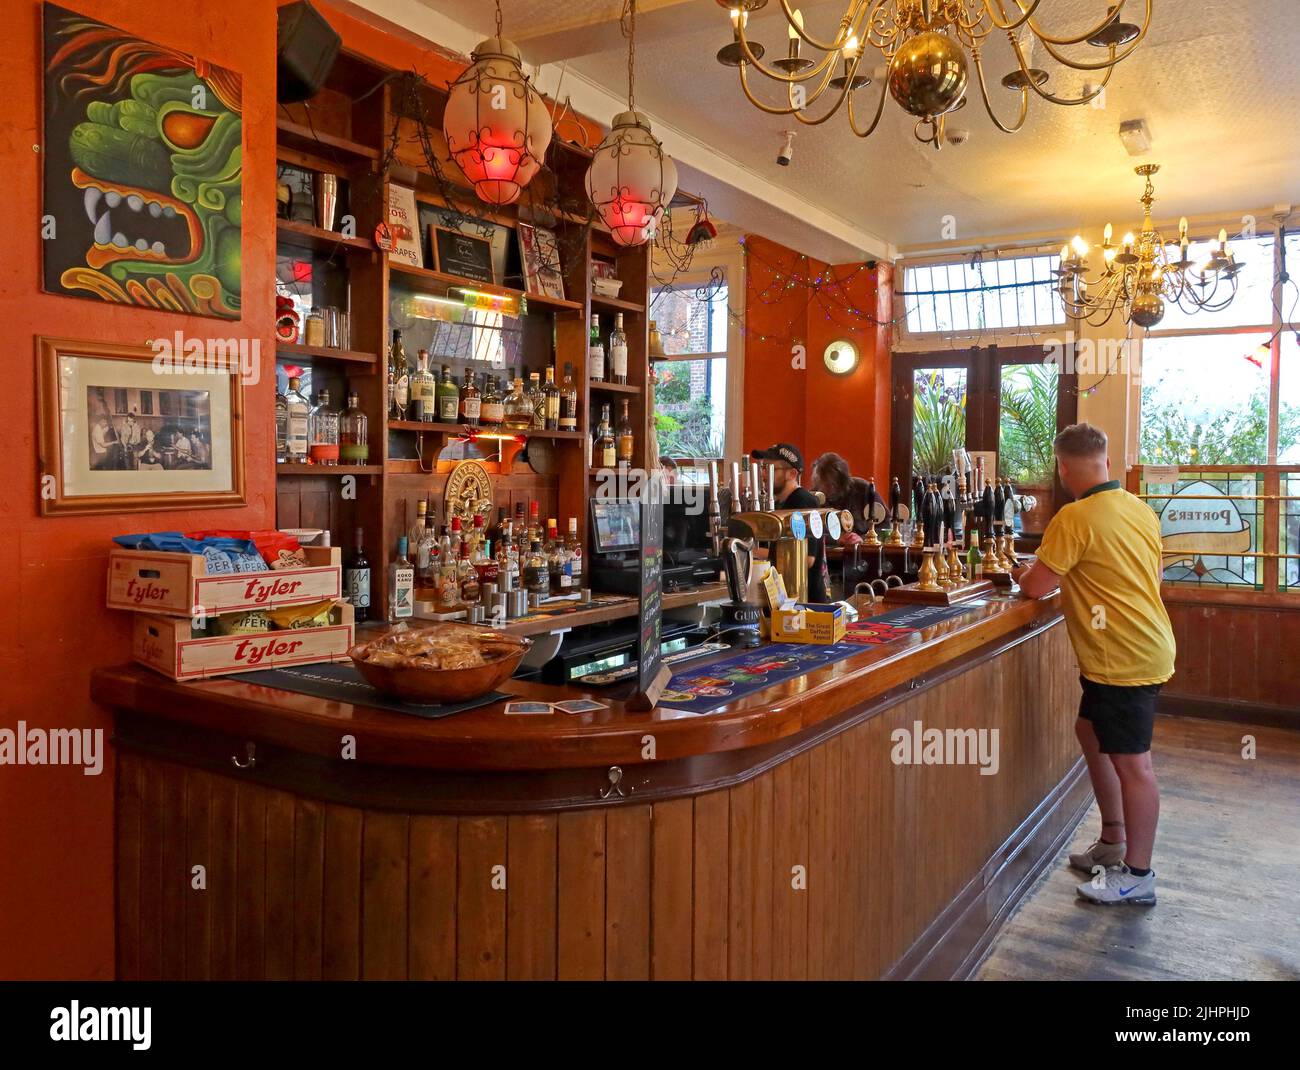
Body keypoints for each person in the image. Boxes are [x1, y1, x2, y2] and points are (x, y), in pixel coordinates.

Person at [1012, 423, 1175, 907]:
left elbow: (1037, 586)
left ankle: (1139, 875)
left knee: (1134, 766)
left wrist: (1019, 572)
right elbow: (1153, 575)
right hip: (1145, 645)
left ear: (1063, 468)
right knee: (1090, 732)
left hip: (1122, 659)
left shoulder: (1074, 518)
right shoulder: (1139, 510)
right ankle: (1112, 839)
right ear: (1106, 460)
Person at [750, 443, 831, 603]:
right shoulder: (782, 504)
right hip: (788, 599)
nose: (764, 475)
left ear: (792, 473)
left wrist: (754, 553)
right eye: (763, 468)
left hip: (806, 601)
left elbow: (808, 559)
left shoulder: (803, 501)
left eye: (771, 469)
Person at [811, 452, 875, 546]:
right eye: (824, 484)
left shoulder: (863, 489)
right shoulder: (813, 497)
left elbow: (885, 527)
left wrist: (863, 539)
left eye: (832, 484)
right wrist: (836, 540)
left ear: (842, 481)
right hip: (830, 559)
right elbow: (809, 535)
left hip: (862, 556)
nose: (828, 489)